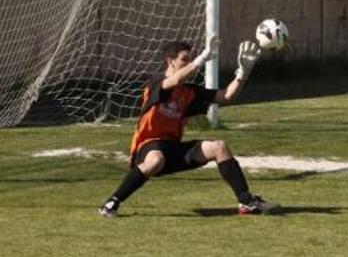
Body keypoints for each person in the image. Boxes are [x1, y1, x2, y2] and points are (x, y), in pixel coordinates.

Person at [98, 36, 279, 218]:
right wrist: (202, 59)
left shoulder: (190, 92)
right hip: (148, 147)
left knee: (219, 147)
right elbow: (173, 81)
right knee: (155, 160)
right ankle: (111, 203)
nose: (189, 62)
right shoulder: (156, 81)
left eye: (191, 59)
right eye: (185, 59)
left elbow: (226, 96)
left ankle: (246, 201)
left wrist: (242, 73)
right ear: (171, 61)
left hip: (174, 149)